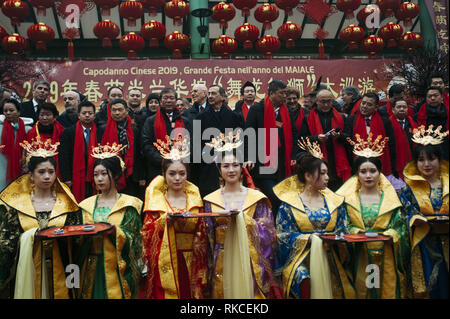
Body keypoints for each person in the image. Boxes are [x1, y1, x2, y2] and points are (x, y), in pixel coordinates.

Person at [0, 137, 82, 299]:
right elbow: (6, 244)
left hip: (63, 267)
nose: (47, 177)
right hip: (28, 269)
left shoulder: (68, 204)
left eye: (51, 172)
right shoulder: (18, 206)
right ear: (31, 175)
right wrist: (29, 238)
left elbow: (78, 243)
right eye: (41, 172)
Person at [203, 135, 277, 299]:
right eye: (226, 166)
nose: (231, 170)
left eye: (235, 165)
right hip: (220, 259)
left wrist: (244, 221)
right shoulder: (210, 200)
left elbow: (269, 234)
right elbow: (207, 237)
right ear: (219, 169)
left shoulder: (256, 198)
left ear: (242, 167)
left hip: (249, 259)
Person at [337, 135, 410, 299]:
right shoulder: (348, 200)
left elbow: (400, 226)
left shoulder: (391, 200)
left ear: (380, 173)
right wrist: (355, 232)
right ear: (357, 174)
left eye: (372, 171)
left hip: (387, 253)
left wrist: (391, 234)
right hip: (360, 253)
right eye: (363, 171)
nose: (368, 175)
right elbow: (343, 224)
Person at [273, 139, 347, 299]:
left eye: (327, 173)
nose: (327, 177)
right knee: (303, 279)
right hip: (301, 260)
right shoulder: (289, 205)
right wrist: (308, 239)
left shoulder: (335, 202)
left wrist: (337, 239)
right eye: (322, 173)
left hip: (330, 258)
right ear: (307, 175)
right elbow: (282, 237)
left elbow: (343, 230)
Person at [140, 137, 207, 299]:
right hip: (164, 260)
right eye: (172, 173)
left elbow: (203, 232)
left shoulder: (195, 199)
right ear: (163, 174)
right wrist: (164, 222)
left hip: (191, 260)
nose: (177, 178)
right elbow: (145, 234)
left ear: (187, 175)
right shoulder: (156, 201)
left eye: (181, 173)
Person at [78, 145, 143, 299]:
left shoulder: (130, 204)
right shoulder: (84, 205)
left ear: (114, 175)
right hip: (91, 265)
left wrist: (117, 232)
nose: (99, 179)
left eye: (104, 174)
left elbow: (137, 240)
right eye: (95, 174)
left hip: (118, 266)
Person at [398, 125, 449, 299]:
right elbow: (404, 216)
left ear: (440, 160)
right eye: (421, 160)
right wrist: (414, 220)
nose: (426, 164)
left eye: (431, 159)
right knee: (429, 288)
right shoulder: (408, 189)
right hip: (423, 245)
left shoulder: (447, 184)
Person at [244, 80, 298, 214]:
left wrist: (293, 157)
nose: (285, 96)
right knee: (273, 196)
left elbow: (294, 135)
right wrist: (249, 157)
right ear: (272, 93)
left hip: (282, 163)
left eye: (286, 93)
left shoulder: (287, 112)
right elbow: (248, 135)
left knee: (283, 198)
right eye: (282, 93)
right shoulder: (257, 109)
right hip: (264, 163)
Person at [193, 85, 243, 197]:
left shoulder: (234, 117)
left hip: (229, 164)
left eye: (214, 94)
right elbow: (196, 144)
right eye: (209, 94)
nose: (210, 96)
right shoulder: (200, 118)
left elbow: (239, 141)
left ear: (222, 97)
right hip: (208, 166)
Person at [299, 89, 352, 191]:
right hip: (317, 160)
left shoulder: (341, 117)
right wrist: (316, 138)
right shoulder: (308, 118)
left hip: (337, 164)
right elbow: (302, 140)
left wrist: (339, 136)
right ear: (317, 101)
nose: (326, 104)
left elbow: (350, 139)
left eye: (329, 101)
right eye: (323, 102)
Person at [141, 88, 190, 185]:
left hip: (180, 167)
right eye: (165, 98)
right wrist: (163, 160)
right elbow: (146, 144)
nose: (168, 101)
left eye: (171, 98)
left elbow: (191, 143)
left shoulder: (185, 121)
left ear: (176, 101)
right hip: (157, 168)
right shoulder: (150, 121)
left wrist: (180, 157)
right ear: (161, 101)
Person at [97, 98, 145, 197]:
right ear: (110, 112)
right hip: (110, 173)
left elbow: (140, 153)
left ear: (126, 111)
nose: (117, 113)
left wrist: (141, 176)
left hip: (132, 174)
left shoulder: (134, 129)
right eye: (114, 110)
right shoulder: (103, 129)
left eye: (120, 110)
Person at [343, 92, 397, 178]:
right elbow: (347, 141)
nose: (364, 106)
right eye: (363, 103)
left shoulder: (384, 122)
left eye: (369, 104)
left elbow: (391, 144)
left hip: (378, 162)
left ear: (376, 107)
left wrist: (393, 167)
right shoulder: (351, 120)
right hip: (358, 163)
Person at [59, 100, 97, 202]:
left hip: (96, 177)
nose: (87, 115)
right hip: (75, 178)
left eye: (90, 113)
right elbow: (64, 157)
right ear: (78, 115)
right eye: (84, 113)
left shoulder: (100, 132)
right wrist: (67, 178)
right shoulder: (68, 132)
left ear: (94, 116)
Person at [25, 102, 65, 177]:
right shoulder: (31, 133)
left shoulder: (62, 132)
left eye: (48, 115)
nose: (44, 118)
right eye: (42, 115)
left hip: (58, 170)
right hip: (38, 171)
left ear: (55, 116)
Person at [0, 98, 32, 191]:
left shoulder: (28, 130)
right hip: (2, 167)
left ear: (19, 112)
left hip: (21, 169)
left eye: (11, 110)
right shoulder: (0, 128)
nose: (8, 113)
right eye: (5, 111)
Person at [414, 86, 449, 161]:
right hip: (428, 156)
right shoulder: (419, 116)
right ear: (426, 99)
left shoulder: (447, 113)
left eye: (436, 95)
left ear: (442, 97)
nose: (432, 98)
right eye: (430, 96)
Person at [389, 99, 418, 180]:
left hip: (411, 160)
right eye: (399, 107)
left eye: (404, 107)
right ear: (393, 109)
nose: (402, 109)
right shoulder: (388, 123)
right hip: (394, 162)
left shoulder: (413, 124)